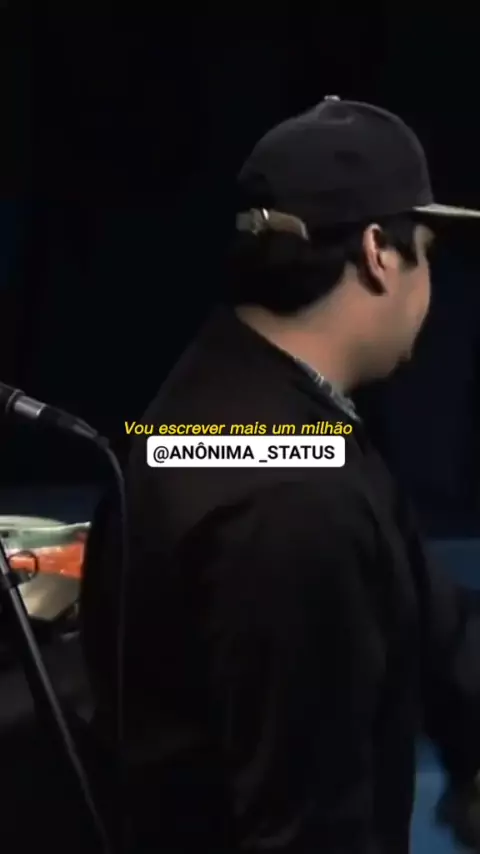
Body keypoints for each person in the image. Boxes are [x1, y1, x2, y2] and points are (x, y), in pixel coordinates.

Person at [81, 97, 480, 853]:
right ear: (377, 252)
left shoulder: (240, 399)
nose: (431, 281)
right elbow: (306, 828)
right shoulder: (292, 498)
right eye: (425, 250)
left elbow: (419, 601)